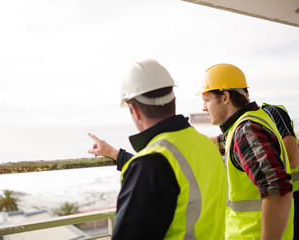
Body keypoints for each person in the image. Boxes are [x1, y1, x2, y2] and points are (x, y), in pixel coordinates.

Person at [88, 59, 227, 239]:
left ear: (134, 110)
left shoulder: (149, 165)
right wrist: (114, 153)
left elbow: (157, 172)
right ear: (173, 100)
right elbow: (173, 175)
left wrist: (133, 164)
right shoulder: (206, 145)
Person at [197, 63, 294, 239]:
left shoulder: (246, 131)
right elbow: (223, 143)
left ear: (225, 97)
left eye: (206, 100)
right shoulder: (250, 122)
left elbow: (277, 189)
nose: (204, 108)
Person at [261, 103, 299, 239]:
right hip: (285, 195)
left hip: (292, 192)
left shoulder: (271, 112)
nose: (204, 108)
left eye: (207, 100)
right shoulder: (238, 129)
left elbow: (292, 160)